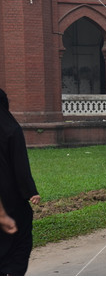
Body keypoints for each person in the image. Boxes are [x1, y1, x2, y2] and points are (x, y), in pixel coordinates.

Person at [0, 88, 41, 276]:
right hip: (11, 199)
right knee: (20, 241)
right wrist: (30, 191)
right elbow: (20, 165)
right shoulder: (11, 128)